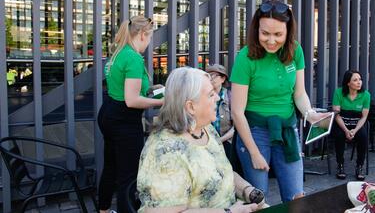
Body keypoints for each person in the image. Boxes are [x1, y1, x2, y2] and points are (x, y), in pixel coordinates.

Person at [230, 0, 327, 202]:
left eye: (278, 34)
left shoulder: (296, 51)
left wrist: (310, 114)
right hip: (255, 134)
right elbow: (237, 112)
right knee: (258, 199)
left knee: (296, 197)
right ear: (256, 29)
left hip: (287, 130)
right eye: (265, 33)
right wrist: (254, 153)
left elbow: (299, 93)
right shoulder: (245, 57)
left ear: (288, 32)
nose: (271, 40)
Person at [137, 67, 264, 212]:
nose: (217, 97)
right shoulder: (166, 151)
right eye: (211, 95)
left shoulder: (206, 129)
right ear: (191, 107)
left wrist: (248, 191)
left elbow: (223, 173)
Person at [97, 15, 164, 213]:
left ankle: (103, 210)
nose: (150, 41)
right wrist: (163, 101)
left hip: (109, 113)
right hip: (124, 120)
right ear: (143, 34)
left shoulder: (119, 53)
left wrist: (151, 90)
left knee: (111, 166)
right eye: (150, 36)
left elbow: (124, 88)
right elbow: (132, 100)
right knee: (129, 175)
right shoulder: (134, 58)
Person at [332, 70, 371, 181]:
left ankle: (359, 166)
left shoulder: (366, 95)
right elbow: (336, 115)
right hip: (342, 124)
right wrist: (345, 130)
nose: (359, 82)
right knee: (339, 136)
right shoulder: (338, 93)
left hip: (357, 125)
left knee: (363, 136)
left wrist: (354, 130)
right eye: (355, 80)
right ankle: (340, 165)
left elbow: (364, 117)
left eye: (360, 79)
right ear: (348, 83)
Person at [206, 64, 234, 159]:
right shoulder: (202, 96)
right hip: (206, 142)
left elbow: (236, 126)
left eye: (214, 76)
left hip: (227, 143)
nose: (210, 79)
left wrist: (220, 140)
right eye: (208, 76)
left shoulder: (231, 97)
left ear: (223, 79)